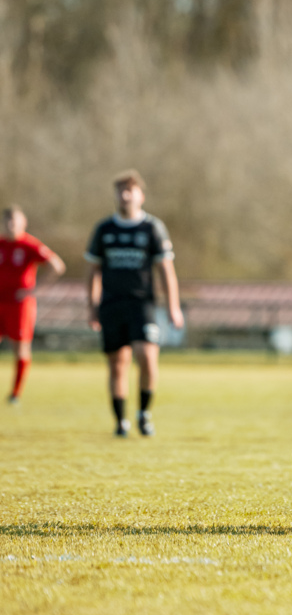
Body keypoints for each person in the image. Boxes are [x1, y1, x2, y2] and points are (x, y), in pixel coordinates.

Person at [85, 170, 184, 438]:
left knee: (147, 356)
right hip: (111, 305)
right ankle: (120, 422)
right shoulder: (104, 229)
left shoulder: (152, 228)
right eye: (120, 191)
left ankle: (143, 414)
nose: (125, 195)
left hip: (143, 304)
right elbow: (93, 271)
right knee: (117, 363)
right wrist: (92, 306)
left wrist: (173, 306)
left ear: (141, 195)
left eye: (130, 190)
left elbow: (166, 270)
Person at [0, 206, 66, 404]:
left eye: (14, 221)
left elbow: (57, 266)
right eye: (7, 221)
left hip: (20, 305)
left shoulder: (30, 245)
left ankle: (15, 393)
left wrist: (34, 290)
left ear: (23, 223)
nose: (10, 225)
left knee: (20, 348)